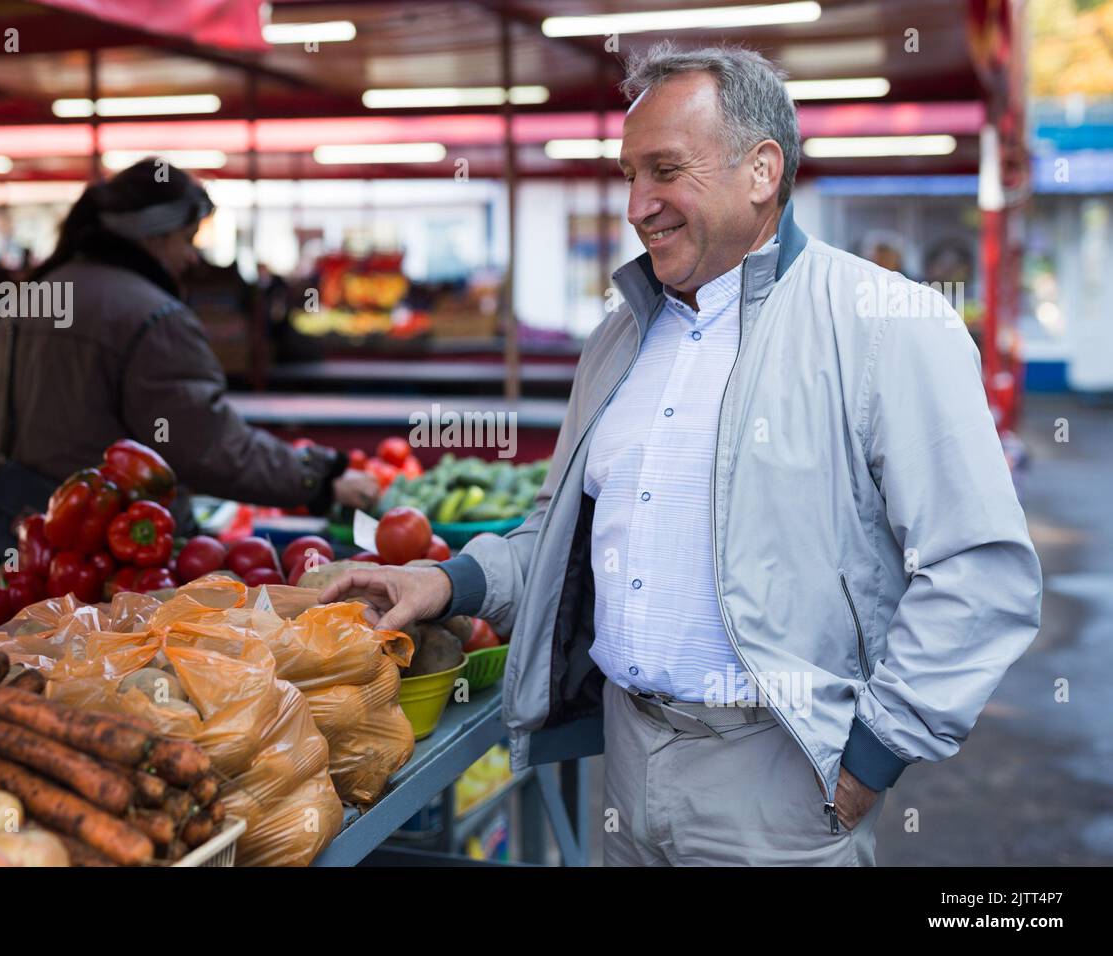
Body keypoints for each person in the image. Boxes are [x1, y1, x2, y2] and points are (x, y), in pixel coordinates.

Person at [321, 44, 1043, 866]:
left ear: (762, 171)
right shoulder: (623, 334)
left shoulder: (885, 324)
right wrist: (447, 580)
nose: (636, 204)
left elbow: (979, 569)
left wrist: (873, 754)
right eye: (630, 173)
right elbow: (562, 535)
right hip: (628, 760)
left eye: (665, 170)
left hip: (780, 782)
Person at [0, 159, 379, 542]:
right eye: (187, 239)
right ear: (154, 235)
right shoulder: (151, 316)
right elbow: (206, 445)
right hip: (109, 554)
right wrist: (318, 479)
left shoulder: (36, 294)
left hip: (20, 541)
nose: (191, 257)